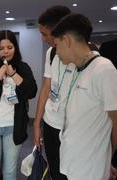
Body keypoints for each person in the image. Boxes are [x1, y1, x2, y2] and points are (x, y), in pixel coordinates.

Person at [51, 13, 117, 180]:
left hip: (91, 168)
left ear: (67, 41)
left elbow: (116, 121)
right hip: (72, 162)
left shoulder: (103, 70)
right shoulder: (78, 69)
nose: (56, 52)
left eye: (57, 45)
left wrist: (111, 160)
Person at [0, 30, 37, 180]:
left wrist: (13, 74)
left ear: (15, 48)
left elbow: (31, 91)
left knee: (10, 172)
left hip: (13, 127)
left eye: (9, 47)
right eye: (1, 48)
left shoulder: (23, 67)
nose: (5, 51)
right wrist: (0, 72)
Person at [33, 5, 71, 180]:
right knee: (55, 171)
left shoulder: (90, 59)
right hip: (51, 124)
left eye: (44, 34)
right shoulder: (51, 53)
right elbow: (46, 88)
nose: (42, 39)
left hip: (73, 129)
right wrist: (37, 124)